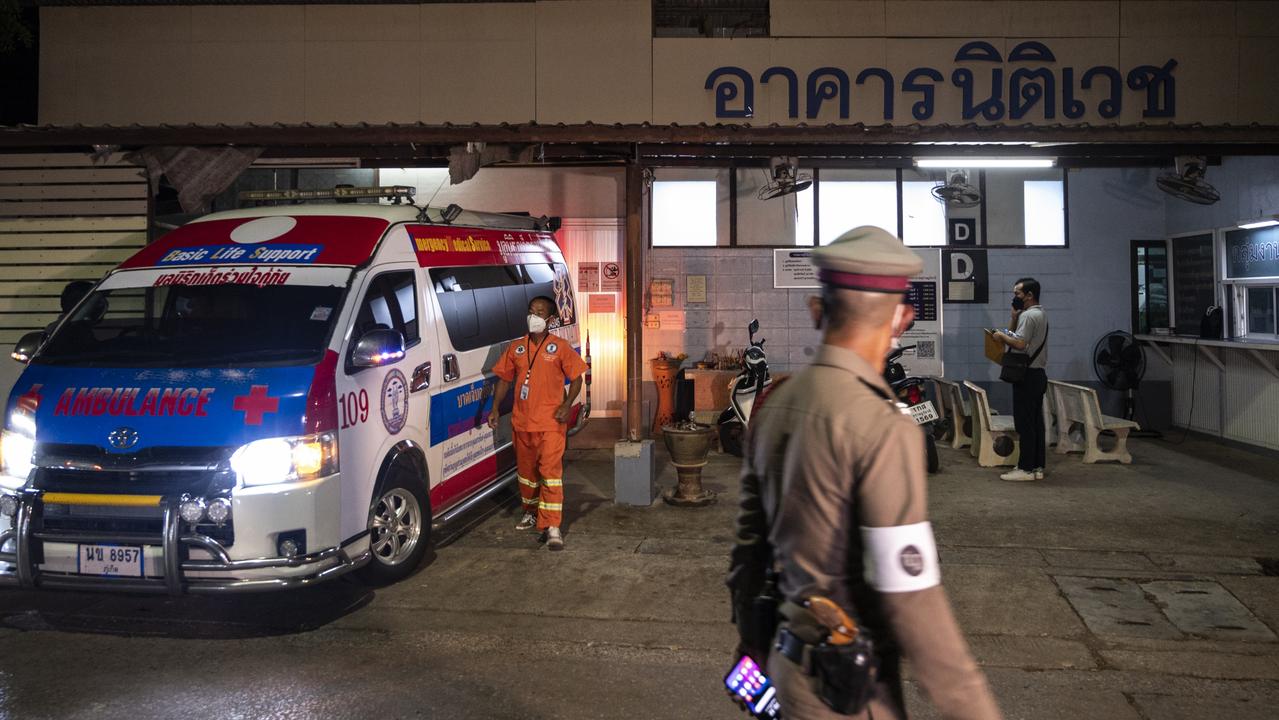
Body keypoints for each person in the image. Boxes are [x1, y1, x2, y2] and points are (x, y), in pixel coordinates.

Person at [728, 226, 1002, 720]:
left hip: (787, 671)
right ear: (902, 318)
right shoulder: (882, 426)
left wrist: (750, 648)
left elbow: (748, 554)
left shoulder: (775, 405)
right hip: (850, 694)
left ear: (817, 311)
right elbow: (911, 597)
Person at [487, 296, 587, 551]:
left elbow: (577, 378)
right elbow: (504, 380)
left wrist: (567, 405)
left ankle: (552, 526)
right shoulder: (517, 347)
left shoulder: (560, 347)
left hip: (552, 423)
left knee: (550, 474)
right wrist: (496, 408)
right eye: (531, 311)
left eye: (540, 312)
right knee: (528, 475)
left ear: (550, 319)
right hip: (522, 423)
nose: (534, 316)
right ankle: (531, 512)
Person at [991, 278, 1048, 482]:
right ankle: (1037, 466)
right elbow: (1015, 335)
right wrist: (1013, 318)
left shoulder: (1030, 316)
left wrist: (1000, 337)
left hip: (1027, 375)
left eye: (1017, 293)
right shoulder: (1039, 314)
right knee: (1036, 424)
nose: (1014, 297)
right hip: (1038, 374)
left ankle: (1024, 469)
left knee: (1025, 424)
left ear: (1029, 295)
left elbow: (1020, 344)